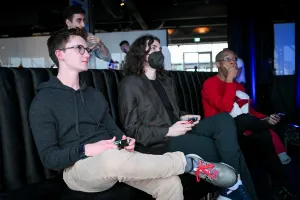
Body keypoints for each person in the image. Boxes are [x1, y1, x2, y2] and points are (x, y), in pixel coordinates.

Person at [28, 28, 238, 200]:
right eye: (79, 48)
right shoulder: (43, 101)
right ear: (59, 54)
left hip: (115, 156)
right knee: (112, 159)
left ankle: (186, 164)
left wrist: (123, 140)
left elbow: (112, 129)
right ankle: (188, 163)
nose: (86, 53)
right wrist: (87, 149)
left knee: (170, 183)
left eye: (86, 49)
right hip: (78, 169)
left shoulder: (93, 95)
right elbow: (49, 158)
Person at [118, 34, 256, 200]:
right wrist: (168, 131)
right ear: (141, 53)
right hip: (161, 141)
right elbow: (132, 129)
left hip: (180, 129)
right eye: (153, 48)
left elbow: (171, 112)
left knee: (224, 119)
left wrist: (185, 116)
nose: (158, 52)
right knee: (227, 149)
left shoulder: (166, 81)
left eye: (160, 49)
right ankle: (238, 189)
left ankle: (233, 186)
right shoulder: (130, 84)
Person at [201, 48, 297, 199]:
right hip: (221, 131)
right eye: (228, 59)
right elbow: (225, 110)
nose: (233, 61)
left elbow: (250, 112)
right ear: (218, 64)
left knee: (264, 135)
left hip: (243, 131)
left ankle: (280, 187)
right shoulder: (210, 84)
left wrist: (266, 118)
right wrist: (229, 81)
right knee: (248, 122)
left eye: (234, 58)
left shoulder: (238, 86)